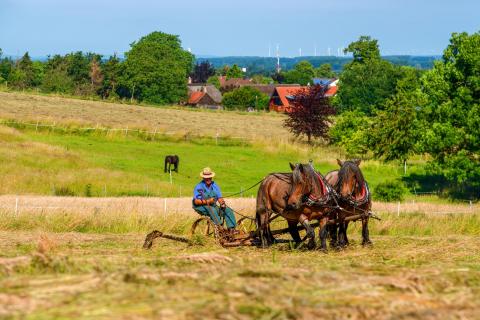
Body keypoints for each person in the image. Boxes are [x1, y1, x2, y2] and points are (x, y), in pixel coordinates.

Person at [192, 167, 237, 232]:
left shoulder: (214, 185)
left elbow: (219, 197)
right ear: (203, 178)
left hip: (212, 206)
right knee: (212, 210)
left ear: (211, 177)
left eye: (209, 177)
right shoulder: (199, 186)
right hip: (200, 206)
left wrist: (222, 203)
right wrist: (208, 201)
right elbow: (196, 201)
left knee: (228, 210)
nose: (208, 179)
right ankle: (220, 227)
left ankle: (232, 229)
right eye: (206, 177)